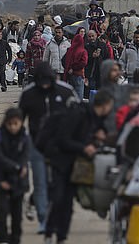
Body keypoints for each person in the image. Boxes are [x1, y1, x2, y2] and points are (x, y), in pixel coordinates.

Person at [43, 90, 113, 244]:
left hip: (76, 166)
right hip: (61, 162)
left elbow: (101, 132)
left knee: (68, 202)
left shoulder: (96, 119)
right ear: (104, 105)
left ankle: (61, 236)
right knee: (58, 198)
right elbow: (63, 139)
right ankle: (49, 231)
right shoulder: (79, 115)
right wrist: (83, 148)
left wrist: (99, 136)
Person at [19, 61, 79, 236]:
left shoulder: (65, 91)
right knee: (40, 182)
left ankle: (58, 217)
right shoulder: (28, 94)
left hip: (62, 146)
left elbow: (77, 116)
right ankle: (44, 220)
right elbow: (18, 120)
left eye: (47, 80)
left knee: (60, 183)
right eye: (41, 80)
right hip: (37, 144)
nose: (44, 84)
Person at [0, 108, 30, 244]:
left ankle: (16, 239)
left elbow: (24, 158)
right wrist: (15, 169)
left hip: (18, 182)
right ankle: (3, 239)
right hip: (0, 179)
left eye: (15, 124)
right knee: (1, 213)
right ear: (5, 123)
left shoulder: (25, 138)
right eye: (9, 124)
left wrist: (19, 172)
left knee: (17, 216)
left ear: (21, 123)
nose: (12, 127)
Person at [65, 34, 88, 100]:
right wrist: (74, 68)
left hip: (69, 75)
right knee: (79, 95)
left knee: (71, 95)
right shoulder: (83, 51)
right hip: (79, 74)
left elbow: (64, 60)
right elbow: (84, 62)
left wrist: (69, 68)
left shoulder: (70, 50)